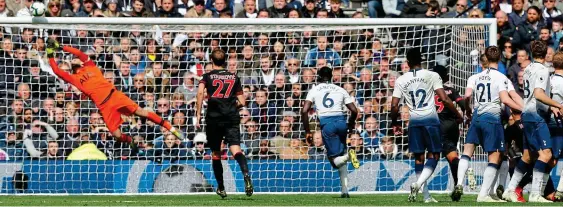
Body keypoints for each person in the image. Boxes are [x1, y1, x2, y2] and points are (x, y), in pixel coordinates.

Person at [44, 39, 183, 143]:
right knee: (116, 134)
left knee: (142, 112)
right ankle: (131, 142)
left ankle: (169, 127)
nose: (73, 59)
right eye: (71, 60)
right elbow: (56, 70)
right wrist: (50, 54)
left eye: (75, 59)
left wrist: (61, 47)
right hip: (104, 106)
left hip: (114, 95)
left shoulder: (90, 65)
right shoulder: (74, 79)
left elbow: (79, 53)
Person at [390, 48, 463, 203]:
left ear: (407, 62)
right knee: (434, 155)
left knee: (419, 157)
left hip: (414, 121)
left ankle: (426, 195)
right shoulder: (432, 75)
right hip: (431, 120)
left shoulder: (401, 80)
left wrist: (395, 122)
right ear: (421, 60)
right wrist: (458, 115)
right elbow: (444, 99)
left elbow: (395, 106)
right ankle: (418, 184)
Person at [451, 46, 522, 202]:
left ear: (485, 59)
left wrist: (468, 109)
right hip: (493, 118)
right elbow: (507, 98)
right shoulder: (501, 77)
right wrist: (524, 108)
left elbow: (467, 96)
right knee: (496, 155)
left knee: (467, 150)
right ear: (499, 59)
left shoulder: (475, 77)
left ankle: (460, 183)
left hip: (476, 116)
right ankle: (485, 193)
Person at [503, 40, 563, 203]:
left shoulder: (528, 68)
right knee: (546, 154)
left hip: (527, 113)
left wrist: (550, 107)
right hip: (536, 116)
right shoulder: (543, 70)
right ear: (546, 55)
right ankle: (536, 193)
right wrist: (556, 104)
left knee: (528, 156)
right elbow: (538, 94)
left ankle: (510, 190)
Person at [194, 49, 253, 198]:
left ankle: (221, 187)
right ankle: (246, 174)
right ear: (225, 61)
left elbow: (200, 93)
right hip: (231, 117)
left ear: (212, 61)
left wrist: (198, 113)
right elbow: (242, 102)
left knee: (216, 153)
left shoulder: (207, 77)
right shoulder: (234, 77)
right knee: (236, 150)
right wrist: (232, 107)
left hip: (214, 118)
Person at [301, 66, 360, 198]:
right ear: (332, 76)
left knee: (334, 161)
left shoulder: (314, 90)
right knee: (340, 154)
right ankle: (345, 191)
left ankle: (349, 156)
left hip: (327, 125)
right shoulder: (340, 89)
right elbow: (355, 111)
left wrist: (307, 131)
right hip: (341, 122)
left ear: (318, 77)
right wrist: (350, 123)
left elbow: (304, 110)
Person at [432, 65, 467, 195]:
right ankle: (458, 183)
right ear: (446, 77)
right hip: (452, 126)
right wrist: (466, 115)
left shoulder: (429, 91)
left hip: (437, 127)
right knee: (452, 155)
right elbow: (462, 103)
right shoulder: (451, 90)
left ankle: (421, 185)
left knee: (432, 156)